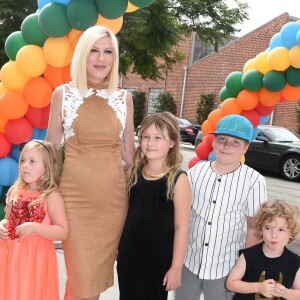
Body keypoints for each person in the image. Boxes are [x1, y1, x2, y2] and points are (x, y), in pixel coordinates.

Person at [46, 25, 135, 300]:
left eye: (108, 52)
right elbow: (50, 151)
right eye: (94, 51)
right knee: (81, 277)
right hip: (73, 202)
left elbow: (129, 153)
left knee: (92, 280)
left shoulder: (125, 98)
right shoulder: (63, 94)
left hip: (113, 203)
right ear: (83, 55)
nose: (101, 58)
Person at [175, 114, 268, 300]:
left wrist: (246, 267)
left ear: (246, 147)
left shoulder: (254, 180)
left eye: (235, 142)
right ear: (213, 141)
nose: (226, 146)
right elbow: (183, 217)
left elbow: (253, 227)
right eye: (222, 139)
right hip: (189, 261)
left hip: (226, 267)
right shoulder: (195, 173)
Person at [117, 111, 191, 300]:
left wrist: (176, 268)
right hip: (129, 254)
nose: (150, 143)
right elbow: (125, 214)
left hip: (159, 259)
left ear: (172, 142)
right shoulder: (133, 172)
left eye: (158, 138)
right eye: (146, 137)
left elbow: (182, 227)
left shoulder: (179, 180)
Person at [0, 140, 68, 300]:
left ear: (47, 166)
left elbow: (63, 231)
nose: (24, 165)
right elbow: (7, 219)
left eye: (32, 161)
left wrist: (35, 227)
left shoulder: (51, 196)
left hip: (34, 260)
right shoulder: (15, 190)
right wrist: (1, 225)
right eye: (23, 160)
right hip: (10, 256)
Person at [226, 200, 300, 299]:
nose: (274, 235)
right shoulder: (248, 256)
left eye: (281, 229)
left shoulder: (295, 262)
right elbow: (230, 284)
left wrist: (285, 293)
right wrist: (258, 287)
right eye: (268, 228)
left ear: (292, 232)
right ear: (260, 229)